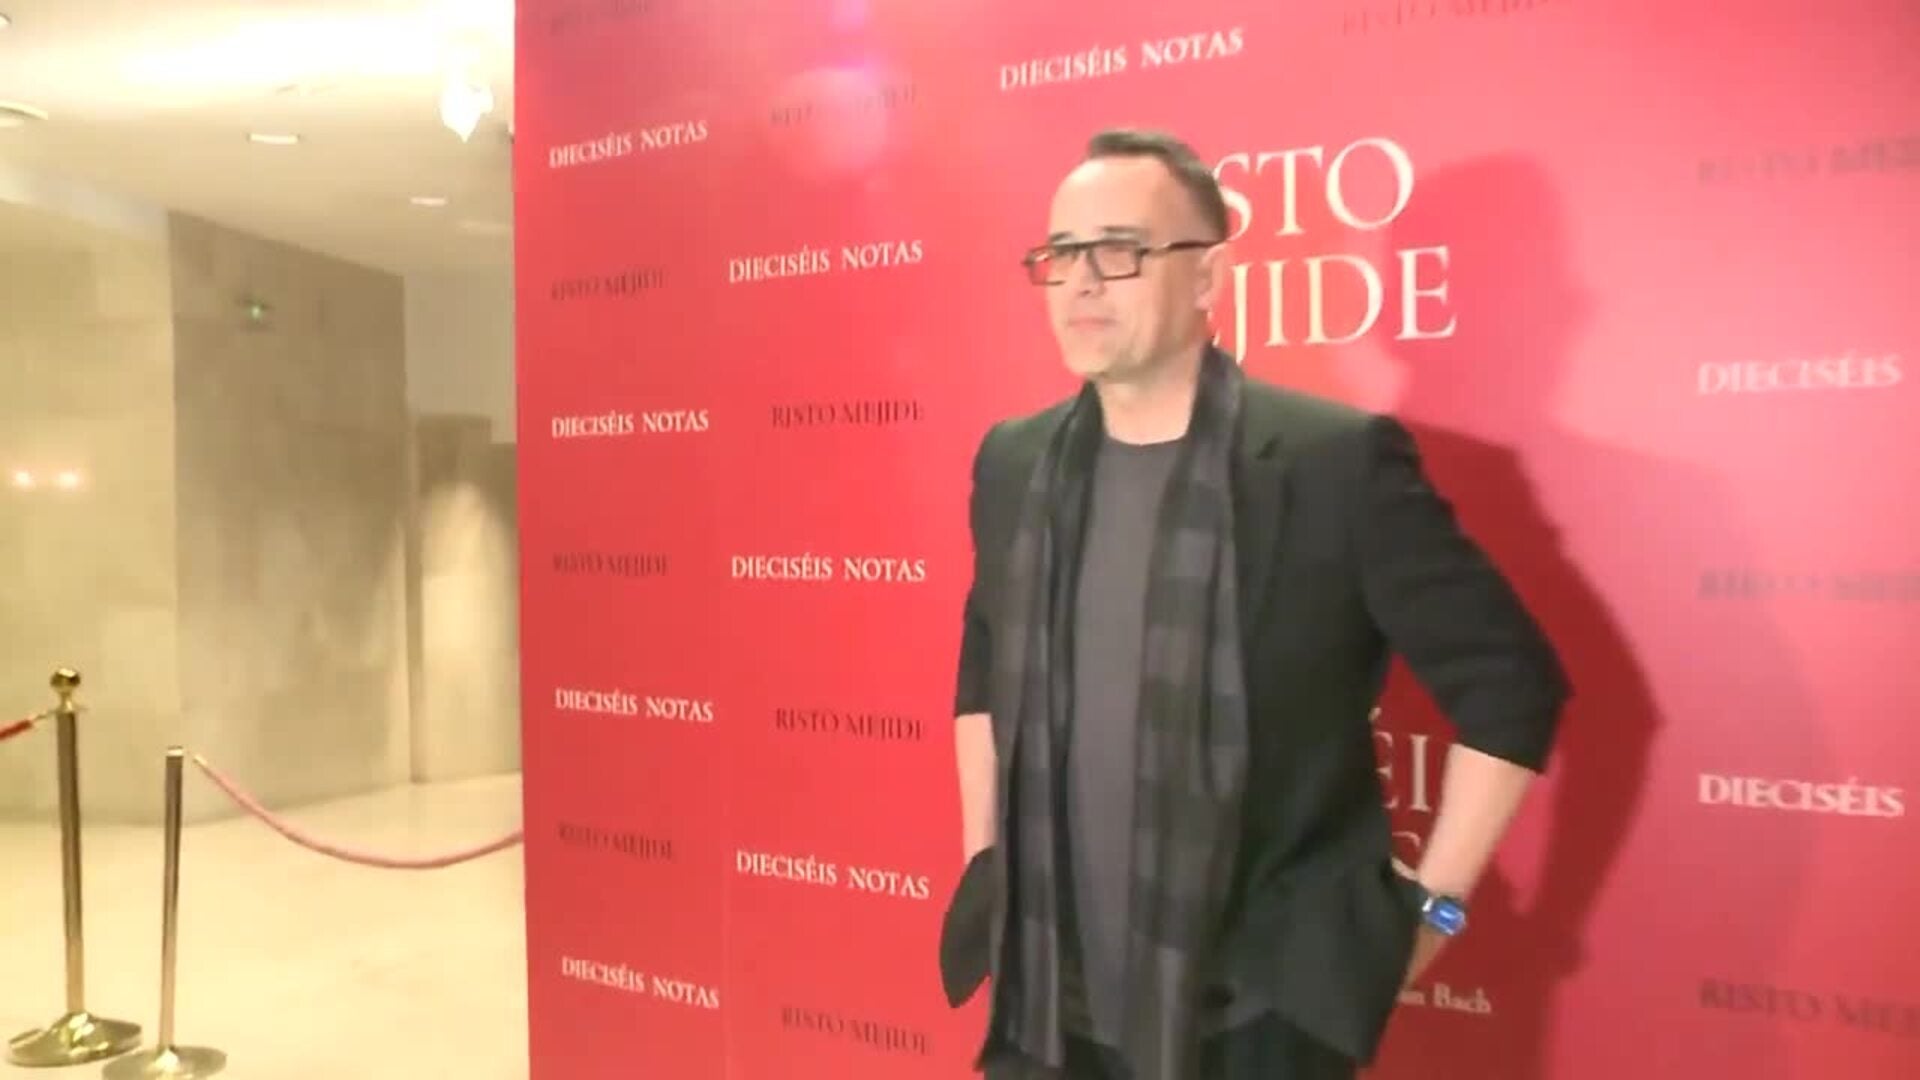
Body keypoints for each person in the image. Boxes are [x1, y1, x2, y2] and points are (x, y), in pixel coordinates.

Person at [939, 129, 1571, 1079]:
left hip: (1258, 1019)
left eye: (1119, 250)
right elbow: (987, 666)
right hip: (1043, 1006)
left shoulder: (1334, 463)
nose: (1082, 283)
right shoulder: (1013, 461)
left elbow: (1511, 687)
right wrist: (988, 857)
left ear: (1207, 276)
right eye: (1061, 255)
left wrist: (1437, 907)